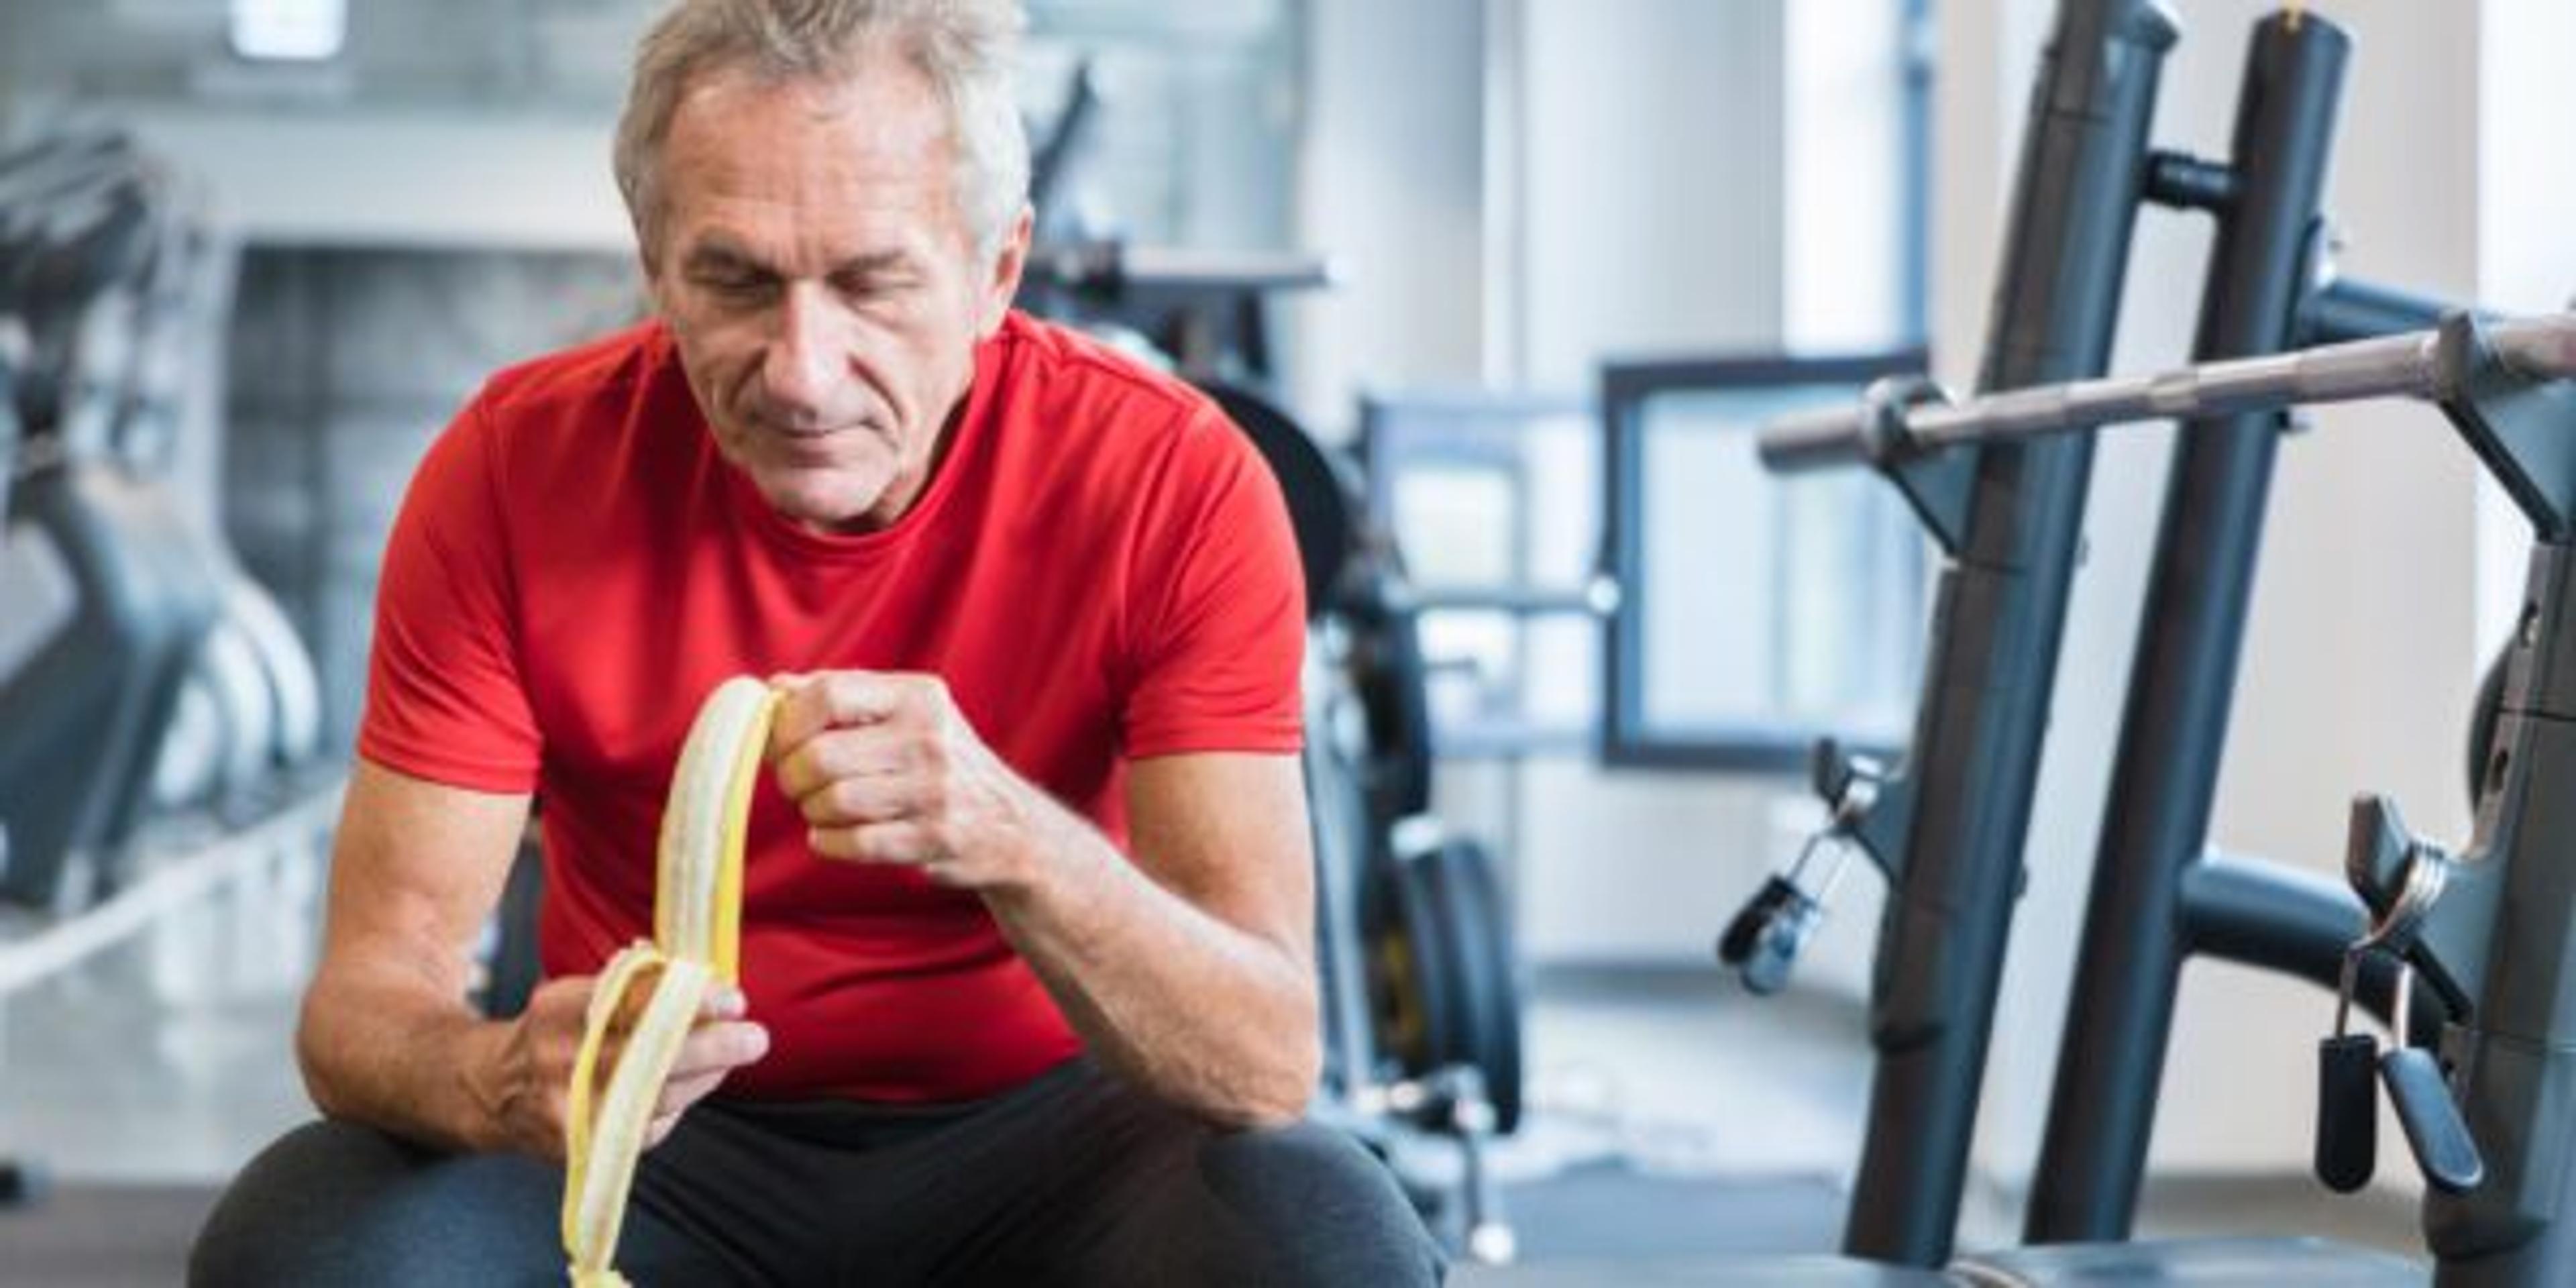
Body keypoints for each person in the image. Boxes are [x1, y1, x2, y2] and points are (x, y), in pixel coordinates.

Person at [187, 1, 1441, 1283]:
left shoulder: (1175, 483)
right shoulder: (514, 469)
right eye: (734, 281)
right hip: (654, 1139)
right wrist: (497, 1074)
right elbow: (360, 1009)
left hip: (1064, 1136)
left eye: (872, 282)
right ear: (655, 259)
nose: (801, 371)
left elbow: (1267, 1053)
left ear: (994, 273)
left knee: (1330, 1238)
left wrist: (1011, 837)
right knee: (304, 1242)